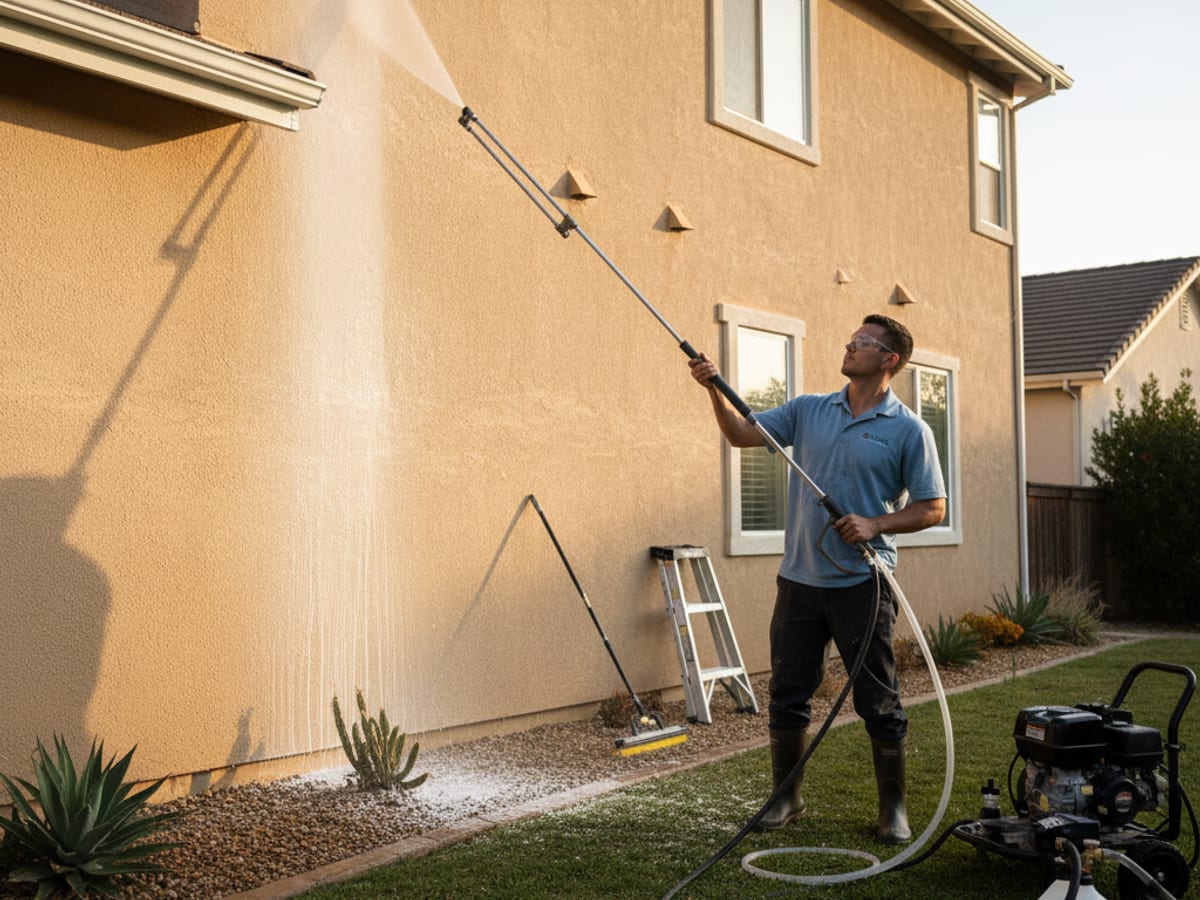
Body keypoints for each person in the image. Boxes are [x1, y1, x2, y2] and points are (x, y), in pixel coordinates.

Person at [688, 313, 946, 843]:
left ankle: (892, 810)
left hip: (863, 583)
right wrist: (714, 388)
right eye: (852, 339)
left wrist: (875, 523)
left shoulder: (908, 429)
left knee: (878, 699)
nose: (850, 346)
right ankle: (786, 801)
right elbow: (740, 434)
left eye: (863, 343)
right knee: (787, 693)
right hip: (800, 581)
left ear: (889, 360)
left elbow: (933, 507)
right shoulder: (808, 410)